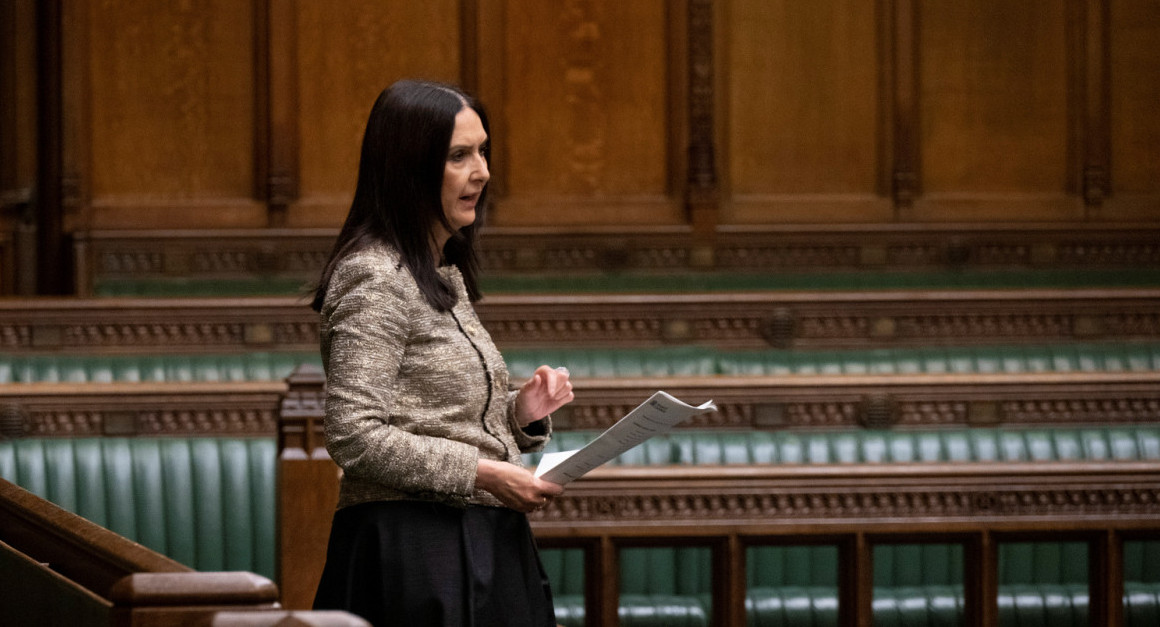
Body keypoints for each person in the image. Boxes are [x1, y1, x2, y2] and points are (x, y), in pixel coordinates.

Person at [309, 79, 573, 627]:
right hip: (415, 550)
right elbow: (354, 435)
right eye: (459, 156)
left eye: (483, 151)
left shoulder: (437, 273)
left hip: (476, 538)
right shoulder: (375, 276)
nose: (482, 171)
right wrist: (486, 473)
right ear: (409, 167)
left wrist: (518, 416)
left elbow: (435, 418)